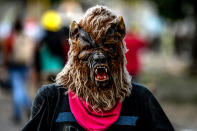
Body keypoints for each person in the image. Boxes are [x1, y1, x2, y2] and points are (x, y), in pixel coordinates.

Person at [23, 6, 174, 131]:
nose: (99, 55)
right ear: (75, 53)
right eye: (89, 48)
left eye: (108, 46)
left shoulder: (141, 99)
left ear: (120, 52)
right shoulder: (51, 99)